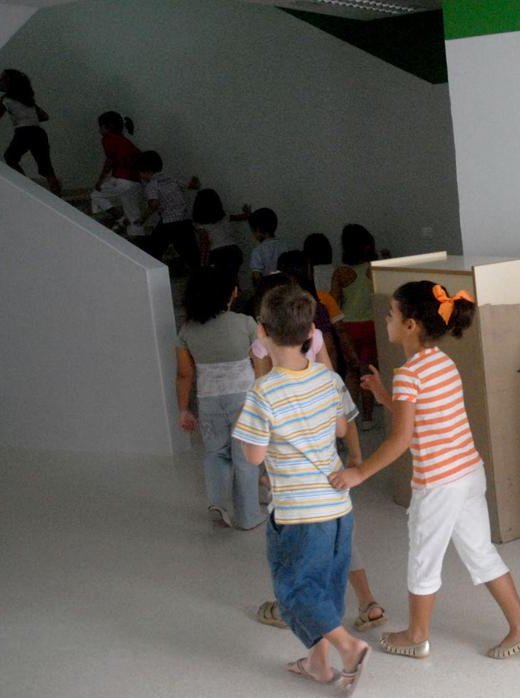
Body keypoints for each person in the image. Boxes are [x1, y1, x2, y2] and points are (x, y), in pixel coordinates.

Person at [328, 281, 520, 662]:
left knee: (423, 557)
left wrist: (360, 474)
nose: (387, 320)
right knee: (480, 551)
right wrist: (384, 397)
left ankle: (416, 634)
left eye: (392, 314)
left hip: (439, 484)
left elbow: (401, 440)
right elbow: (424, 420)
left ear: (410, 325)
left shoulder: (409, 374)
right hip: (467, 473)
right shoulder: (442, 362)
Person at [232, 283, 371, 692]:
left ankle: (347, 647)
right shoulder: (327, 381)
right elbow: (342, 427)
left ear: (262, 333)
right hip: (338, 507)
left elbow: (254, 457)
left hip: (297, 513)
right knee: (327, 586)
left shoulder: (263, 392)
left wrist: (249, 427)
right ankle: (318, 663)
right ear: (312, 333)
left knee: (293, 590)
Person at [175, 268, 263, 530]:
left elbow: (184, 374)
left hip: (209, 401)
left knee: (215, 454)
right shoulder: (245, 323)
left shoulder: (187, 330)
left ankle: (218, 503)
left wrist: (184, 410)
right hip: (245, 400)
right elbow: (260, 365)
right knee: (246, 457)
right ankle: (248, 516)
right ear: (232, 293)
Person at [331, 224, 381, 428]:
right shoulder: (374, 270)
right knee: (369, 371)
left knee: (352, 372)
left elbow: (333, 303)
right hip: (372, 326)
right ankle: (368, 418)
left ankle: (350, 418)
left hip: (348, 328)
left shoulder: (341, 273)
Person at [0, 69, 61, 194]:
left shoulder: (6, 99)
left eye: (1, 79)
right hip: (38, 132)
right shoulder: (27, 100)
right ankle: (57, 194)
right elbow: (44, 116)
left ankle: (26, 187)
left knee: (10, 157)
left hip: (23, 132)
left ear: (8, 82)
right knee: (46, 167)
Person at [133, 150, 200, 268]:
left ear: (145, 171)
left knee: (153, 249)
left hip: (169, 223)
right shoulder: (172, 178)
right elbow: (192, 186)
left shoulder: (151, 185)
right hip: (184, 221)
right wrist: (195, 180)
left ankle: (154, 271)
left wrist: (142, 219)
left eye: (140, 172)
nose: (140, 176)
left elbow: (154, 204)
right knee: (191, 253)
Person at [90, 111, 143, 236]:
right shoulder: (125, 141)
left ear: (107, 127)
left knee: (96, 195)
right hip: (136, 181)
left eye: (100, 127)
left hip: (122, 179)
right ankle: (138, 239)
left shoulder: (108, 139)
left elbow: (110, 160)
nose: (99, 130)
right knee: (133, 214)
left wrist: (100, 179)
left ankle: (120, 217)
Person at [192, 189, 248, 281]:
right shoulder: (225, 216)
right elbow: (240, 217)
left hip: (218, 255)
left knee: (221, 282)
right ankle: (237, 293)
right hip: (234, 251)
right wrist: (247, 213)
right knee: (233, 278)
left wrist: (202, 264)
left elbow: (204, 243)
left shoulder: (202, 225)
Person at [248, 207, 287, 287]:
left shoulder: (257, 251)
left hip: (268, 289)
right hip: (284, 285)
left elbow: (256, 276)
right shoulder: (283, 244)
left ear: (258, 230)